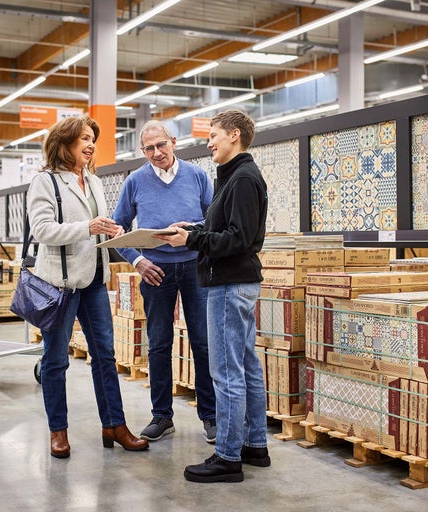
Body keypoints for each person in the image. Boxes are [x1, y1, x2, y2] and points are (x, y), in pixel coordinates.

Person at [155, 110, 269, 483]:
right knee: (246, 366)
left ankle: (228, 456)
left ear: (234, 134)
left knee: (226, 372)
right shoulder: (233, 176)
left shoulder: (243, 179)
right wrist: (193, 228)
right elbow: (223, 226)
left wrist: (191, 240)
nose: (209, 144)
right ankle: (254, 445)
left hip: (228, 284)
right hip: (235, 282)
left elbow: (238, 238)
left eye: (213, 136)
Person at [26, 115, 149, 459]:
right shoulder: (45, 182)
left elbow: (96, 226)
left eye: (92, 139)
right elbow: (42, 230)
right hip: (61, 285)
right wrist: (88, 227)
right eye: (84, 138)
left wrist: (112, 231)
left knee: (105, 355)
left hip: (94, 280)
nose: (91, 144)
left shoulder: (94, 181)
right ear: (64, 143)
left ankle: (114, 425)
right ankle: (58, 431)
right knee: (55, 360)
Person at [111, 120, 217, 443]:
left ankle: (211, 416)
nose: (156, 153)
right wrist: (138, 261)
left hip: (195, 267)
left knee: (203, 341)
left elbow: (215, 221)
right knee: (158, 343)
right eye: (149, 149)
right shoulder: (135, 182)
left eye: (161, 145)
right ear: (142, 151)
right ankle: (161, 416)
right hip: (155, 271)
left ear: (173, 141)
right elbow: (117, 229)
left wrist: (193, 230)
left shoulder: (197, 176)